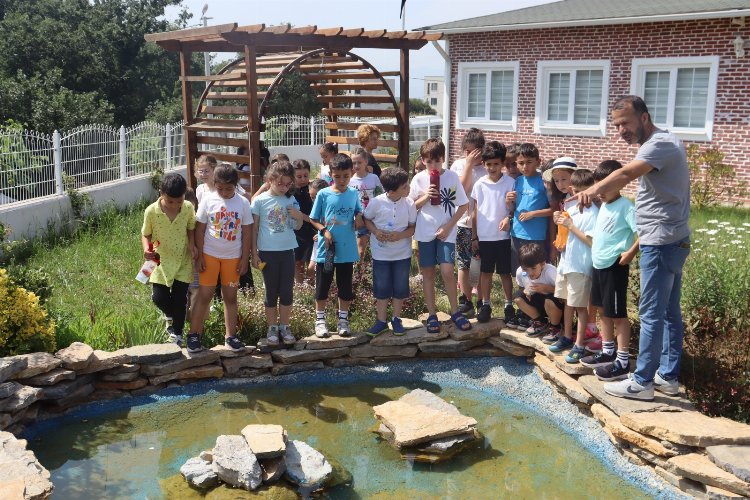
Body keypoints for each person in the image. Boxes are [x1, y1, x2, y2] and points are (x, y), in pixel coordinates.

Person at [578, 95, 690, 401]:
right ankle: (666, 376)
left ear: (644, 117)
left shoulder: (659, 144)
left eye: (625, 123)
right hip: (670, 239)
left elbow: (625, 173)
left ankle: (641, 382)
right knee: (667, 313)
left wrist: (592, 189)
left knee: (652, 313)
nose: (620, 130)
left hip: (661, 241)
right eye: (616, 125)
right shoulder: (662, 143)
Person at [580, 160, 640, 380]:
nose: (600, 193)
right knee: (604, 310)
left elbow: (643, 233)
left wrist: (631, 253)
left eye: (605, 187)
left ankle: (623, 362)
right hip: (599, 264)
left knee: (618, 315)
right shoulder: (604, 205)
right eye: (599, 188)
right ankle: (607, 351)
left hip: (615, 266)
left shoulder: (627, 207)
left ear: (619, 183)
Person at [409, 138, 472, 334]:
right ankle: (432, 314)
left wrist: (448, 226)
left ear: (443, 159)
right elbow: (411, 207)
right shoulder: (418, 179)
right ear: (423, 160)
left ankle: (455, 311)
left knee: (447, 271)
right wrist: (426, 196)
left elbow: (463, 205)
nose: (433, 166)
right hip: (424, 231)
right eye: (429, 162)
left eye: (437, 161)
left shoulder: (452, 177)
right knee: (428, 273)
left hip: (447, 232)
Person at [190, 165, 252, 353]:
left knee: (230, 297)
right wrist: (199, 255)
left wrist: (244, 259)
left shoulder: (242, 203)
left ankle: (230, 336)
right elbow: (199, 229)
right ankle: (194, 335)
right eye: (221, 188)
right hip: (209, 256)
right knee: (204, 295)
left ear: (236, 186)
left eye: (229, 188)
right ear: (214, 184)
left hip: (232, 259)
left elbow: (247, 232)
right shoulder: (208, 200)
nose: (224, 192)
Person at [548, 167, 600, 363]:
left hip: (581, 266)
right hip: (566, 264)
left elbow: (592, 242)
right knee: (567, 303)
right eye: (576, 191)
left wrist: (570, 226)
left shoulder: (593, 213)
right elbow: (566, 235)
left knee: (579, 306)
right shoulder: (570, 208)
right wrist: (560, 224)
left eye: (583, 191)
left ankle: (579, 344)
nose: (579, 195)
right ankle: (567, 337)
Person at [250, 162, 305, 346]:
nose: (284, 188)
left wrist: (298, 217)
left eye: (288, 184)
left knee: (287, 291)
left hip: (288, 250)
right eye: (280, 183)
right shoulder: (259, 201)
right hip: (267, 252)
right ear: (270, 180)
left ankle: (285, 326)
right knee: (271, 292)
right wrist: (254, 254)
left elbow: (297, 226)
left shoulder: (290, 200)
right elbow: (254, 228)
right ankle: (272, 327)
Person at [309, 153, 363, 338]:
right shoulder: (323, 194)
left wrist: (358, 218)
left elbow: (358, 212)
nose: (341, 180)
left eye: (346, 176)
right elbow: (313, 219)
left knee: (345, 286)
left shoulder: (354, 193)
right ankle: (320, 321)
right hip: (327, 250)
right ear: (331, 173)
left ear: (352, 173)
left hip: (347, 249)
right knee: (322, 286)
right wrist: (324, 231)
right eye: (337, 176)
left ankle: (343, 320)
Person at [141, 172, 196, 347]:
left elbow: (190, 228)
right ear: (161, 193)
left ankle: (177, 334)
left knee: (180, 298)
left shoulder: (187, 208)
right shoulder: (151, 211)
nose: (174, 206)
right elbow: (146, 234)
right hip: (160, 260)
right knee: (159, 297)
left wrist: (193, 246)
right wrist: (146, 250)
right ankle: (171, 315)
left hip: (183, 259)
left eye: (178, 201)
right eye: (169, 201)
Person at [363, 167, 417, 336]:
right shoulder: (377, 202)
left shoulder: (409, 203)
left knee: (400, 287)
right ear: (392, 190)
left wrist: (400, 235)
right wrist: (376, 231)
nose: (409, 189)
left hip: (402, 254)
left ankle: (396, 318)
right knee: (382, 287)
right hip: (381, 254)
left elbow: (412, 229)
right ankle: (381, 321)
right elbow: (367, 219)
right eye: (405, 186)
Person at [506, 143, 553, 330]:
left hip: (536, 236)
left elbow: (554, 208)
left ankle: (539, 314)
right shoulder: (518, 181)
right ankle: (524, 311)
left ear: (538, 162)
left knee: (536, 273)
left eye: (529, 162)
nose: (524, 167)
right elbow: (513, 209)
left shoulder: (543, 181)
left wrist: (534, 214)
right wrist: (508, 202)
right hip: (516, 233)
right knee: (520, 273)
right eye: (521, 163)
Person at [470, 141, 515, 323]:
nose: (492, 167)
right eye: (488, 164)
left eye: (496, 164)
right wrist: (474, 236)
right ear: (484, 164)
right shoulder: (480, 184)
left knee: (505, 273)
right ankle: (486, 305)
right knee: (485, 272)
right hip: (485, 236)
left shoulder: (511, 183)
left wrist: (509, 216)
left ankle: (509, 305)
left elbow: (515, 209)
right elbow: (474, 211)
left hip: (504, 237)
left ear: (502, 163)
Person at [451, 128, 486, 318]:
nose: (469, 155)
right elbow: (461, 190)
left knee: (478, 265)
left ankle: (482, 300)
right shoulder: (458, 165)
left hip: (482, 225)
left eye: (473, 152)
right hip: (463, 223)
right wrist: (468, 165)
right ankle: (465, 300)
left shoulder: (487, 168)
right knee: (463, 264)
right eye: (467, 152)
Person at [513, 243, 564, 333]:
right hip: (538, 302)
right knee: (518, 297)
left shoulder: (550, 272)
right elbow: (521, 287)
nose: (529, 273)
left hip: (555, 305)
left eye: (533, 268)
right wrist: (525, 291)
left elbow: (564, 292)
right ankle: (540, 321)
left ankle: (556, 326)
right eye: (525, 269)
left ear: (543, 264)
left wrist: (547, 288)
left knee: (549, 300)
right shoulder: (520, 272)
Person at [349, 147, 384, 260]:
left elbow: (380, 195)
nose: (357, 166)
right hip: (359, 219)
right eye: (354, 163)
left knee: (378, 246)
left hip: (374, 218)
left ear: (366, 162)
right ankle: (359, 273)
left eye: (359, 162)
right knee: (361, 248)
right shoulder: (350, 181)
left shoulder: (373, 178)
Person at [290, 160, 316, 284]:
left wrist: (306, 217)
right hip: (296, 231)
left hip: (312, 229)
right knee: (298, 261)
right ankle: (299, 286)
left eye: (306, 176)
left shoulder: (312, 190)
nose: (303, 179)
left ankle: (311, 285)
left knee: (311, 260)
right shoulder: (289, 193)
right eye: (299, 176)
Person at [305, 179, 329, 280]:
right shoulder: (314, 207)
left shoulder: (329, 207)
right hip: (318, 241)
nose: (314, 200)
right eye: (312, 197)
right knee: (311, 268)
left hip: (328, 240)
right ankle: (310, 290)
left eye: (316, 197)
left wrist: (322, 233)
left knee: (325, 268)